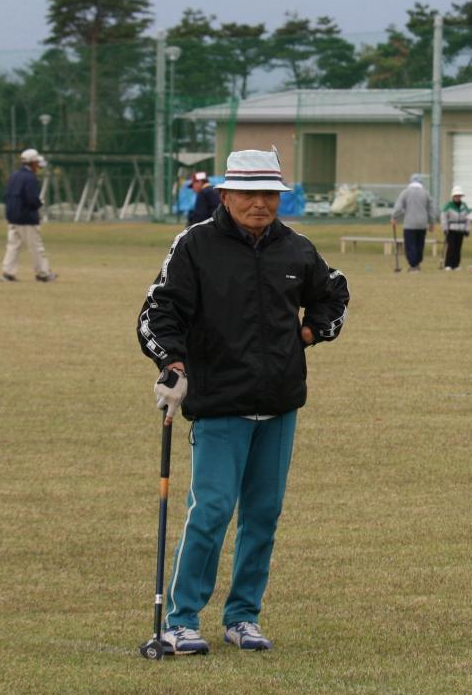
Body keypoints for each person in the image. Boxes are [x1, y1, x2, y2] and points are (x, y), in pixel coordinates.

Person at [136, 147, 351, 655]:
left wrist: (312, 330)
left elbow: (334, 293)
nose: (260, 204)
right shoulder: (195, 245)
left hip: (279, 403)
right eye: (249, 194)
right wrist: (173, 364)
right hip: (219, 403)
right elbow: (158, 311)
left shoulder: (297, 249)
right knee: (210, 509)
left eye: (270, 195)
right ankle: (183, 619)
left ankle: (242, 616)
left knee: (263, 513)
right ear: (226, 195)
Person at [0, 148, 56, 283]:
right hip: (26, 218)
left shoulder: (14, 176)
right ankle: (43, 274)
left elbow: (6, 196)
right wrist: (38, 205)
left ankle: (8, 273)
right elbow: (31, 198)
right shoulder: (30, 178)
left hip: (12, 216)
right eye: (37, 163)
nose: (38, 166)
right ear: (32, 163)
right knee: (36, 247)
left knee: (13, 246)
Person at [391, 174, 437, 272]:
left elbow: (398, 207)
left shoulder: (405, 192)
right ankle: (417, 262)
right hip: (422, 224)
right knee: (419, 244)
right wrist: (432, 223)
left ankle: (413, 265)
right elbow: (431, 209)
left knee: (410, 245)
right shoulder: (426, 193)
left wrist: (394, 217)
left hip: (409, 224)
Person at [440, 185, 471, 271]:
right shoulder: (448, 205)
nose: (458, 197)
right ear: (453, 196)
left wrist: (467, 229)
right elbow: (443, 218)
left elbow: (468, 218)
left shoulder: (464, 206)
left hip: (461, 230)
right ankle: (448, 264)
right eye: (456, 195)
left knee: (458, 247)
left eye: (459, 195)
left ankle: (456, 265)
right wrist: (445, 228)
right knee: (451, 247)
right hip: (451, 229)